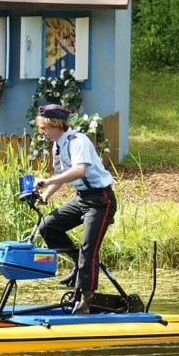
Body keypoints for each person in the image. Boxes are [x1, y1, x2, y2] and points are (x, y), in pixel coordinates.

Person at [33, 104, 117, 314]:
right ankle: (77, 264)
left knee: (89, 250)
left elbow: (79, 171)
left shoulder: (78, 141)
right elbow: (62, 175)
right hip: (81, 198)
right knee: (47, 226)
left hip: (100, 200)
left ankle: (85, 303)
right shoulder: (58, 145)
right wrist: (46, 195)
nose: (41, 132)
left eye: (43, 128)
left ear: (55, 124)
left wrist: (46, 181)